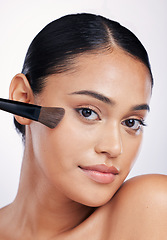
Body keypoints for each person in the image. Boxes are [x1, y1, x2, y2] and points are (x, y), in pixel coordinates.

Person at [0, 13, 166, 239]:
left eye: (131, 122)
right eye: (88, 112)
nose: (114, 147)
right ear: (23, 98)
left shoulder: (153, 208)